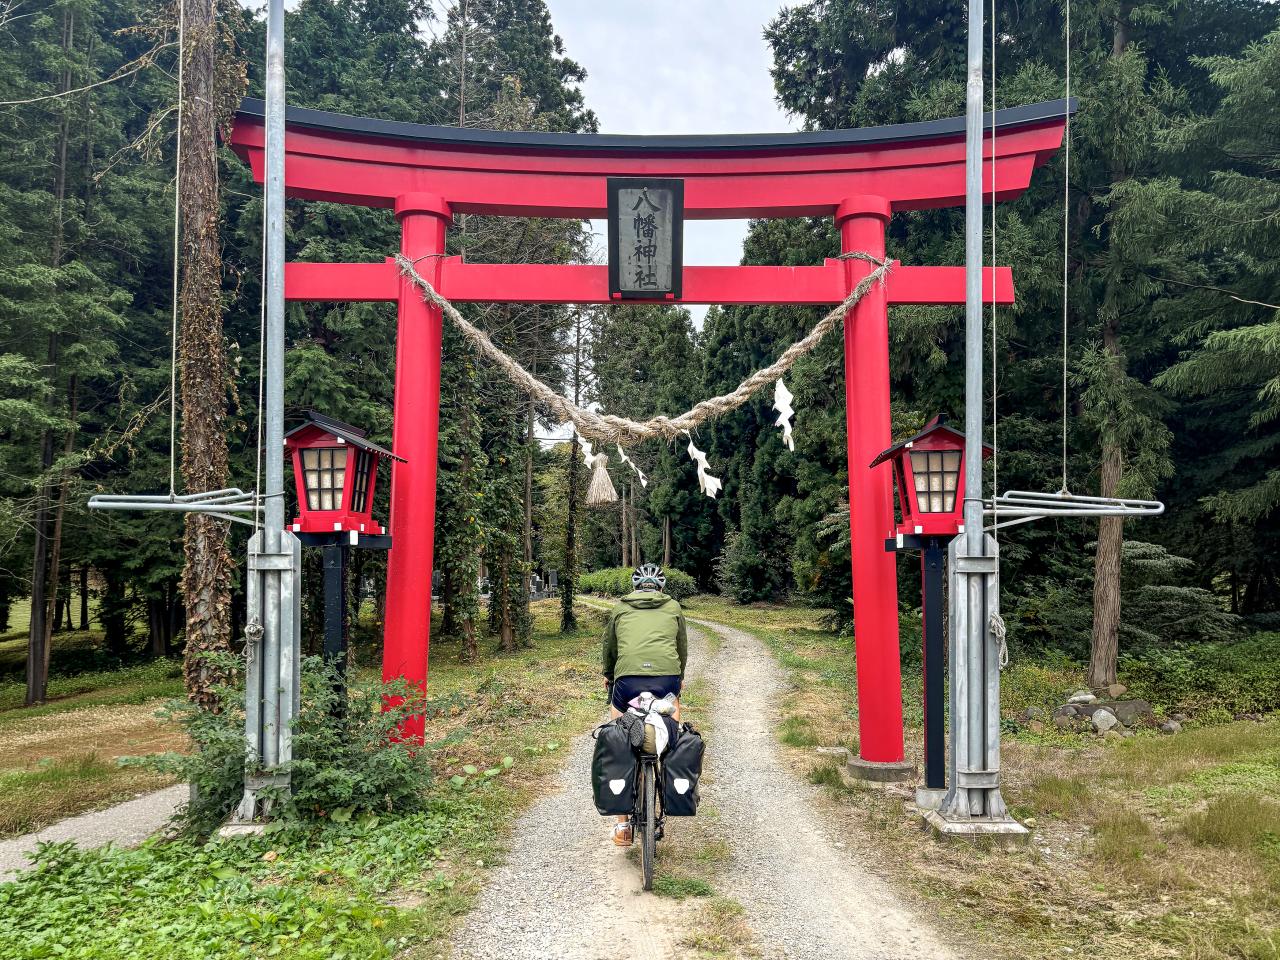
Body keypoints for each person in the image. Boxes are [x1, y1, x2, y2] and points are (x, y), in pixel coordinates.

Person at [601, 563, 688, 847]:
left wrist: (609, 676)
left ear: (635, 587)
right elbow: (681, 648)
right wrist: (679, 680)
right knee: (673, 717)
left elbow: (610, 648)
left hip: (628, 680)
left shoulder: (620, 607)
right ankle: (668, 752)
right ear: (660, 588)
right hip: (666, 679)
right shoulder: (673, 607)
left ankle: (622, 826)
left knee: (617, 733)